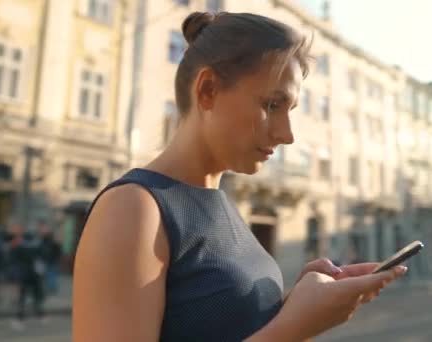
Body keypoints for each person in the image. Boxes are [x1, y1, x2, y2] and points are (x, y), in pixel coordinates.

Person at [73, 11, 407, 342]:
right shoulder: (134, 208)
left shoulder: (222, 204)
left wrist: (296, 306)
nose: (288, 135)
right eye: (272, 105)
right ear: (208, 90)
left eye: (289, 111)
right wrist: (295, 328)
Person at [11, 231, 45, 329]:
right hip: (35, 274)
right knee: (36, 295)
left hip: (24, 274)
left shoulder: (20, 247)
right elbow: (43, 256)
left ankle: (20, 318)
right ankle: (40, 315)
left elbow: (13, 258)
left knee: (22, 297)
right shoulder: (37, 247)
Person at [37, 220, 62, 295]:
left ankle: (51, 288)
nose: (42, 231)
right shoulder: (45, 239)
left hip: (51, 259)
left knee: (51, 274)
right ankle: (50, 288)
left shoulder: (50, 240)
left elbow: (56, 249)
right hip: (48, 259)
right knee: (49, 274)